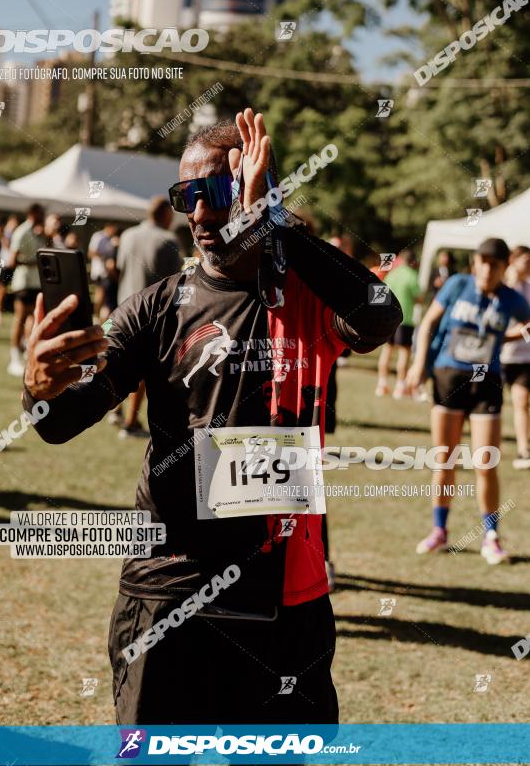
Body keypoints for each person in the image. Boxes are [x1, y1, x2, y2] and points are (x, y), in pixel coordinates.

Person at [23, 108, 401, 725]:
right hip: (170, 589)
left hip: (284, 600)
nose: (197, 213)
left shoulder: (308, 298)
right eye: (184, 196)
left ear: (259, 190)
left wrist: (272, 222)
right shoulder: (159, 308)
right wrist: (38, 388)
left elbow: (381, 315)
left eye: (215, 193)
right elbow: (60, 422)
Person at [406, 238, 530, 564]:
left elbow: (521, 325)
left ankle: (490, 536)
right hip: (449, 377)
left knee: (485, 463)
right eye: (483, 261)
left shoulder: (512, 299)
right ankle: (439, 531)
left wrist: (512, 335)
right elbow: (429, 322)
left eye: (495, 264)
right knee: (444, 460)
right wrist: (419, 364)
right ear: (475, 262)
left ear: (504, 268)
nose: (487, 268)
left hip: (486, 384)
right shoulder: (457, 284)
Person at [115, 196, 182, 439]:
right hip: (152, 314)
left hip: (123, 308)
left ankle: (116, 411)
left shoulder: (127, 236)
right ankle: (131, 422)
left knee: (116, 361)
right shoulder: (169, 240)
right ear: (165, 214)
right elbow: (176, 283)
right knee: (144, 372)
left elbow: (118, 269)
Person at [375, 248, 423, 399]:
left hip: (389, 319)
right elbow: (419, 298)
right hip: (405, 320)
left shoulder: (392, 274)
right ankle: (400, 387)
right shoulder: (412, 275)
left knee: (387, 351)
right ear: (413, 261)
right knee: (404, 353)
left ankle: (381, 385)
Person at [7, 203, 45, 377]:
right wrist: (33, 262)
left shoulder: (39, 232)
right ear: (32, 213)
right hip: (23, 282)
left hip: (36, 283)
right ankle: (13, 358)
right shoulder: (22, 232)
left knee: (33, 319)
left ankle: (27, 353)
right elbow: (11, 261)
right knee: (20, 319)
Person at [501, 245, 530, 468]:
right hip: (500, 356)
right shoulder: (503, 288)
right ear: (513, 260)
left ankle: (523, 450)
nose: (528, 265)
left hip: (524, 358)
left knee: (521, 400)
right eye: (525, 261)